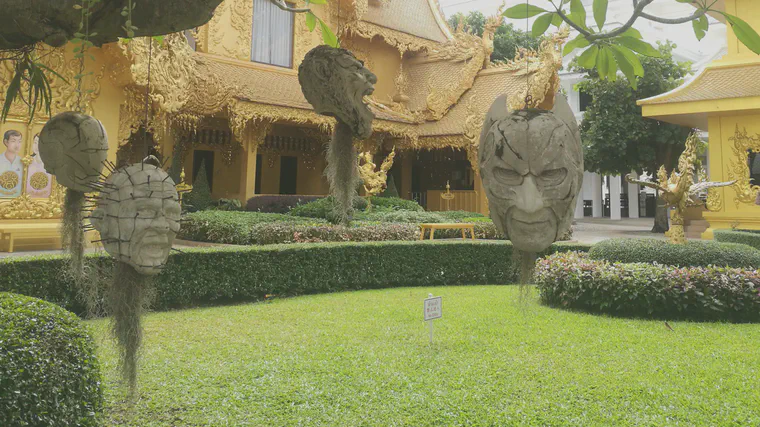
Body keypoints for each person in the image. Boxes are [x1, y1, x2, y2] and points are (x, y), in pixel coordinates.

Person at [0, 130, 23, 197]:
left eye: (19, 141)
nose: (17, 145)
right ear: (6, 142)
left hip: (17, 201)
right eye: (13, 141)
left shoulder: (23, 162)